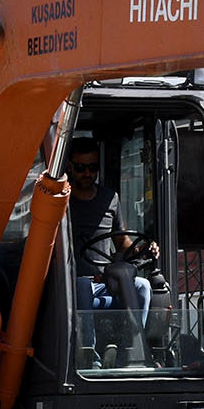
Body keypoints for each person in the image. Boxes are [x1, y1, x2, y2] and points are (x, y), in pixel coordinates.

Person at [65, 139, 152, 356]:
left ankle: (129, 352)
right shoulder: (62, 201)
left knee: (143, 286)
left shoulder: (109, 198)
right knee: (83, 286)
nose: (87, 173)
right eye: (81, 168)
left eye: (92, 168)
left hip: (105, 281)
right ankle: (87, 355)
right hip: (69, 285)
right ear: (69, 167)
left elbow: (122, 242)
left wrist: (144, 249)